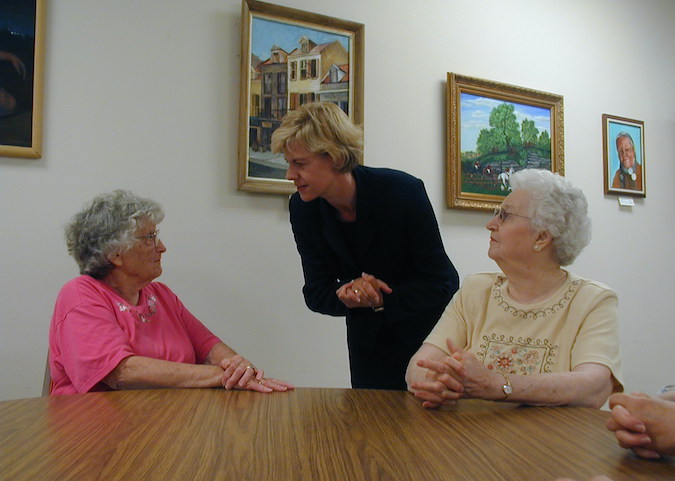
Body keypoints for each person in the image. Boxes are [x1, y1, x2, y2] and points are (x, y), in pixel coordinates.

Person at [271, 101, 459, 390]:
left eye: (300, 163)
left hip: (430, 332)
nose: (290, 175)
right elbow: (316, 292)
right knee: (371, 428)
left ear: (334, 157)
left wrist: (380, 298)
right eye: (289, 163)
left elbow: (441, 282)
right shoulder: (303, 208)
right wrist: (347, 294)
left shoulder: (402, 191)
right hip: (369, 341)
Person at [406, 169, 623, 408]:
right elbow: (419, 365)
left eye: (504, 216)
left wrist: (497, 384)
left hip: (551, 443)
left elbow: (594, 387)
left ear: (541, 237)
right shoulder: (475, 290)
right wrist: (437, 383)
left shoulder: (592, 301)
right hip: (470, 440)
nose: (490, 224)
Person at [49, 190, 294, 396]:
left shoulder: (160, 295)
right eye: (150, 238)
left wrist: (238, 370)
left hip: (167, 427)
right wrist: (219, 376)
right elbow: (122, 373)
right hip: (97, 437)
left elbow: (209, 348)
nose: (162, 247)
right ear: (114, 253)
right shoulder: (81, 295)